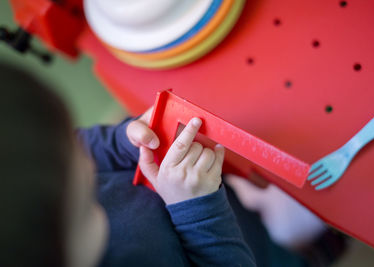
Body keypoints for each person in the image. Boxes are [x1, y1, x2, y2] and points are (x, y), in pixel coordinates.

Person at [0, 63, 256, 267]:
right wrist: (199, 210)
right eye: (85, 203)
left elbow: (87, 144)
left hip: (238, 216)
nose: (90, 166)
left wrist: (123, 141)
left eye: (73, 150)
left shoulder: (35, 164)